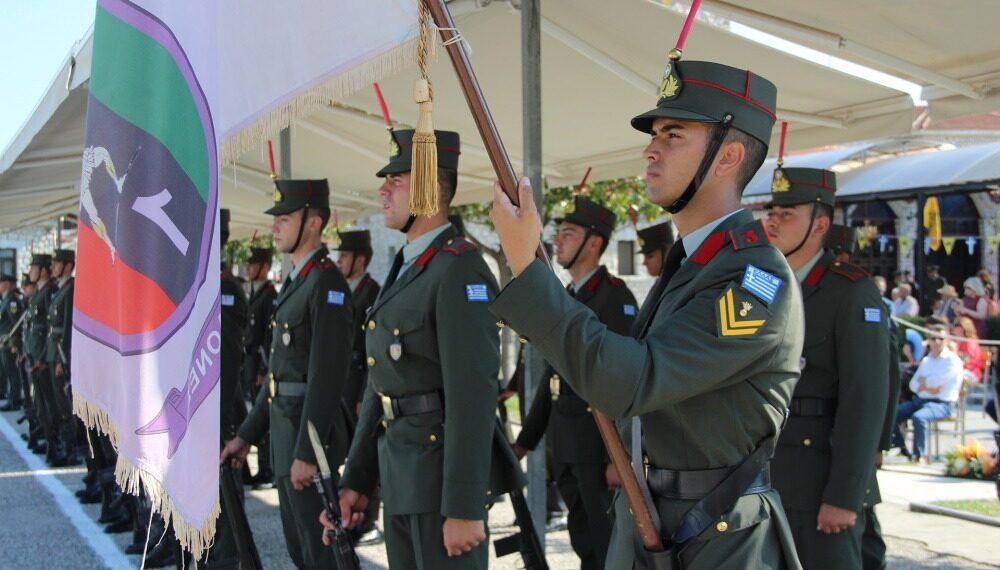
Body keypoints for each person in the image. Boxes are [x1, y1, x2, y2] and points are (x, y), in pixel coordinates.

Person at [490, 59, 803, 568]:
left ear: (729, 156)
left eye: (673, 134)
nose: (650, 149)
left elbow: (632, 383)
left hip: (718, 535)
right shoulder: (694, 264)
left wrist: (529, 267)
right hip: (656, 517)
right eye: (655, 133)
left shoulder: (753, 279)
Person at [333, 128, 501, 568]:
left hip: (440, 485)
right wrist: (358, 479)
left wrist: (464, 506)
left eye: (397, 179)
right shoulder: (411, 267)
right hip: (401, 474)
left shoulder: (459, 268)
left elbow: (474, 392)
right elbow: (382, 387)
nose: (382, 189)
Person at [220, 179, 354, 569]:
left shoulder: (326, 282)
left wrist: (307, 454)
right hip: (285, 440)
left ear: (313, 223)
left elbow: (326, 377)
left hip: (307, 448)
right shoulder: (299, 282)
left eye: (285, 217)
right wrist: (246, 436)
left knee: (321, 556)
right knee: (301, 553)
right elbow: (278, 379)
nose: (276, 225)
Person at [764, 164, 889, 569]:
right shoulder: (765, 285)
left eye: (787, 214)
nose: (773, 222)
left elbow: (864, 401)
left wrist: (843, 496)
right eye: (772, 213)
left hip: (819, 481)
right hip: (768, 477)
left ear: (820, 223)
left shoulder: (851, 293)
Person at [513, 197, 638, 570]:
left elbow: (624, 382)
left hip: (598, 448)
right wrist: (524, 442)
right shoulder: (568, 297)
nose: (558, 242)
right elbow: (554, 382)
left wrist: (621, 458)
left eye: (569, 234)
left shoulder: (615, 299)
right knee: (584, 541)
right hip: (566, 443)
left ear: (594, 243)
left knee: (606, 546)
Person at [332, 228, 385, 546]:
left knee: (364, 450)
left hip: (361, 384)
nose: (339, 262)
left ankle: (369, 519)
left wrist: (367, 391)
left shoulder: (373, 292)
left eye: (344, 257)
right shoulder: (344, 290)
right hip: (343, 383)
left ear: (360, 260)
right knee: (349, 451)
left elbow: (373, 352)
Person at [891, 325, 964, 464]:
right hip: (920, 400)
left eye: (940, 338)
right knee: (893, 413)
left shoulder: (952, 360)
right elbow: (914, 385)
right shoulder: (927, 360)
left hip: (943, 404)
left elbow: (936, 382)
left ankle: (920, 456)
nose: (936, 341)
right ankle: (901, 448)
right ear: (928, 341)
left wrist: (926, 383)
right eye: (933, 338)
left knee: (919, 417)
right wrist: (928, 385)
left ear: (947, 340)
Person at [241, 244, 277, 489]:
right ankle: (263, 467)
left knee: (264, 418)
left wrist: (264, 371)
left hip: (261, 363)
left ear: (264, 267)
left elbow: (269, 335)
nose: (248, 268)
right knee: (255, 410)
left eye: (253, 264)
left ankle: (267, 468)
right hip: (251, 363)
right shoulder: (256, 293)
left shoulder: (270, 296)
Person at [25, 253, 63, 465]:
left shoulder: (50, 292)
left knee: (52, 405)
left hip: (46, 356)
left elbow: (51, 328)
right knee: (41, 404)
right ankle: (50, 442)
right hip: (38, 353)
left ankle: (57, 445)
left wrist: (41, 356)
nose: (31, 272)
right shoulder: (41, 292)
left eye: (35, 267)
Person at [45, 249, 79, 466]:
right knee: (58, 406)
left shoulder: (70, 290)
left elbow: (67, 329)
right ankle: (66, 448)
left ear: (68, 265)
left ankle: (71, 451)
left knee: (68, 409)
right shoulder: (60, 290)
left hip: (61, 357)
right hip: (52, 353)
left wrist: (61, 361)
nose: (53, 267)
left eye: (57, 263)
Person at [0, 274, 23, 411]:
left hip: (10, 343)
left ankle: (14, 400)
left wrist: (14, 339)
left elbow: (16, 324)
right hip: (4, 342)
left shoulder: (12, 301)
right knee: (7, 371)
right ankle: (11, 397)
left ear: (7, 284)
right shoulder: (5, 300)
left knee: (12, 372)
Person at [951, 317, 983, 384]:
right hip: (958, 369)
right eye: (954, 325)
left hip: (971, 372)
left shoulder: (970, 342)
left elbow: (968, 361)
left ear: (964, 327)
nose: (954, 327)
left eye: (957, 325)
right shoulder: (954, 341)